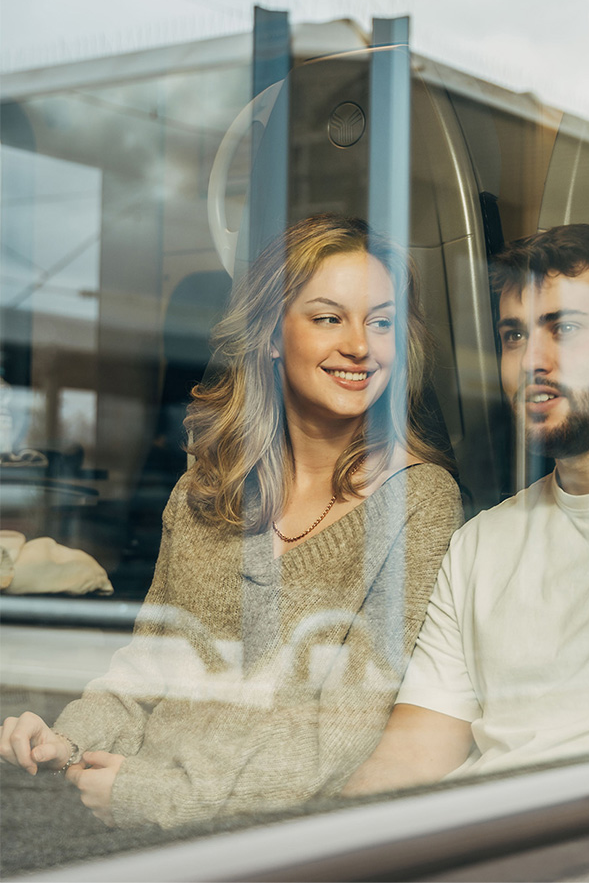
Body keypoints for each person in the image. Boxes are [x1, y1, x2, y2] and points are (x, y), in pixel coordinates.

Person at [0, 214, 463, 827]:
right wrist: (66, 742)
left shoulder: (419, 500)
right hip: (127, 805)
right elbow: (145, 671)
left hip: (245, 834)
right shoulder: (204, 486)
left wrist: (157, 798)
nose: (359, 344)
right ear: (273, 336)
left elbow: (340, 735)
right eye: (329, 317)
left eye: (381, 322)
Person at [345, 223, 589, 795]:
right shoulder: (479, 544)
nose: (531, 360)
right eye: (513, 336)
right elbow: (410, 759)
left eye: (566, 329)